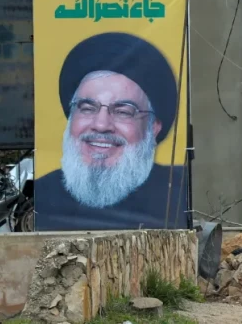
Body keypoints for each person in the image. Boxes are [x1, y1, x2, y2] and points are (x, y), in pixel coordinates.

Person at [34, 32, 190, 230]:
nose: (101, 125)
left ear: (154, 126)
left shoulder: (180, 195)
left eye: (123, 111)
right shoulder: (40, 198)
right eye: (87, 108)